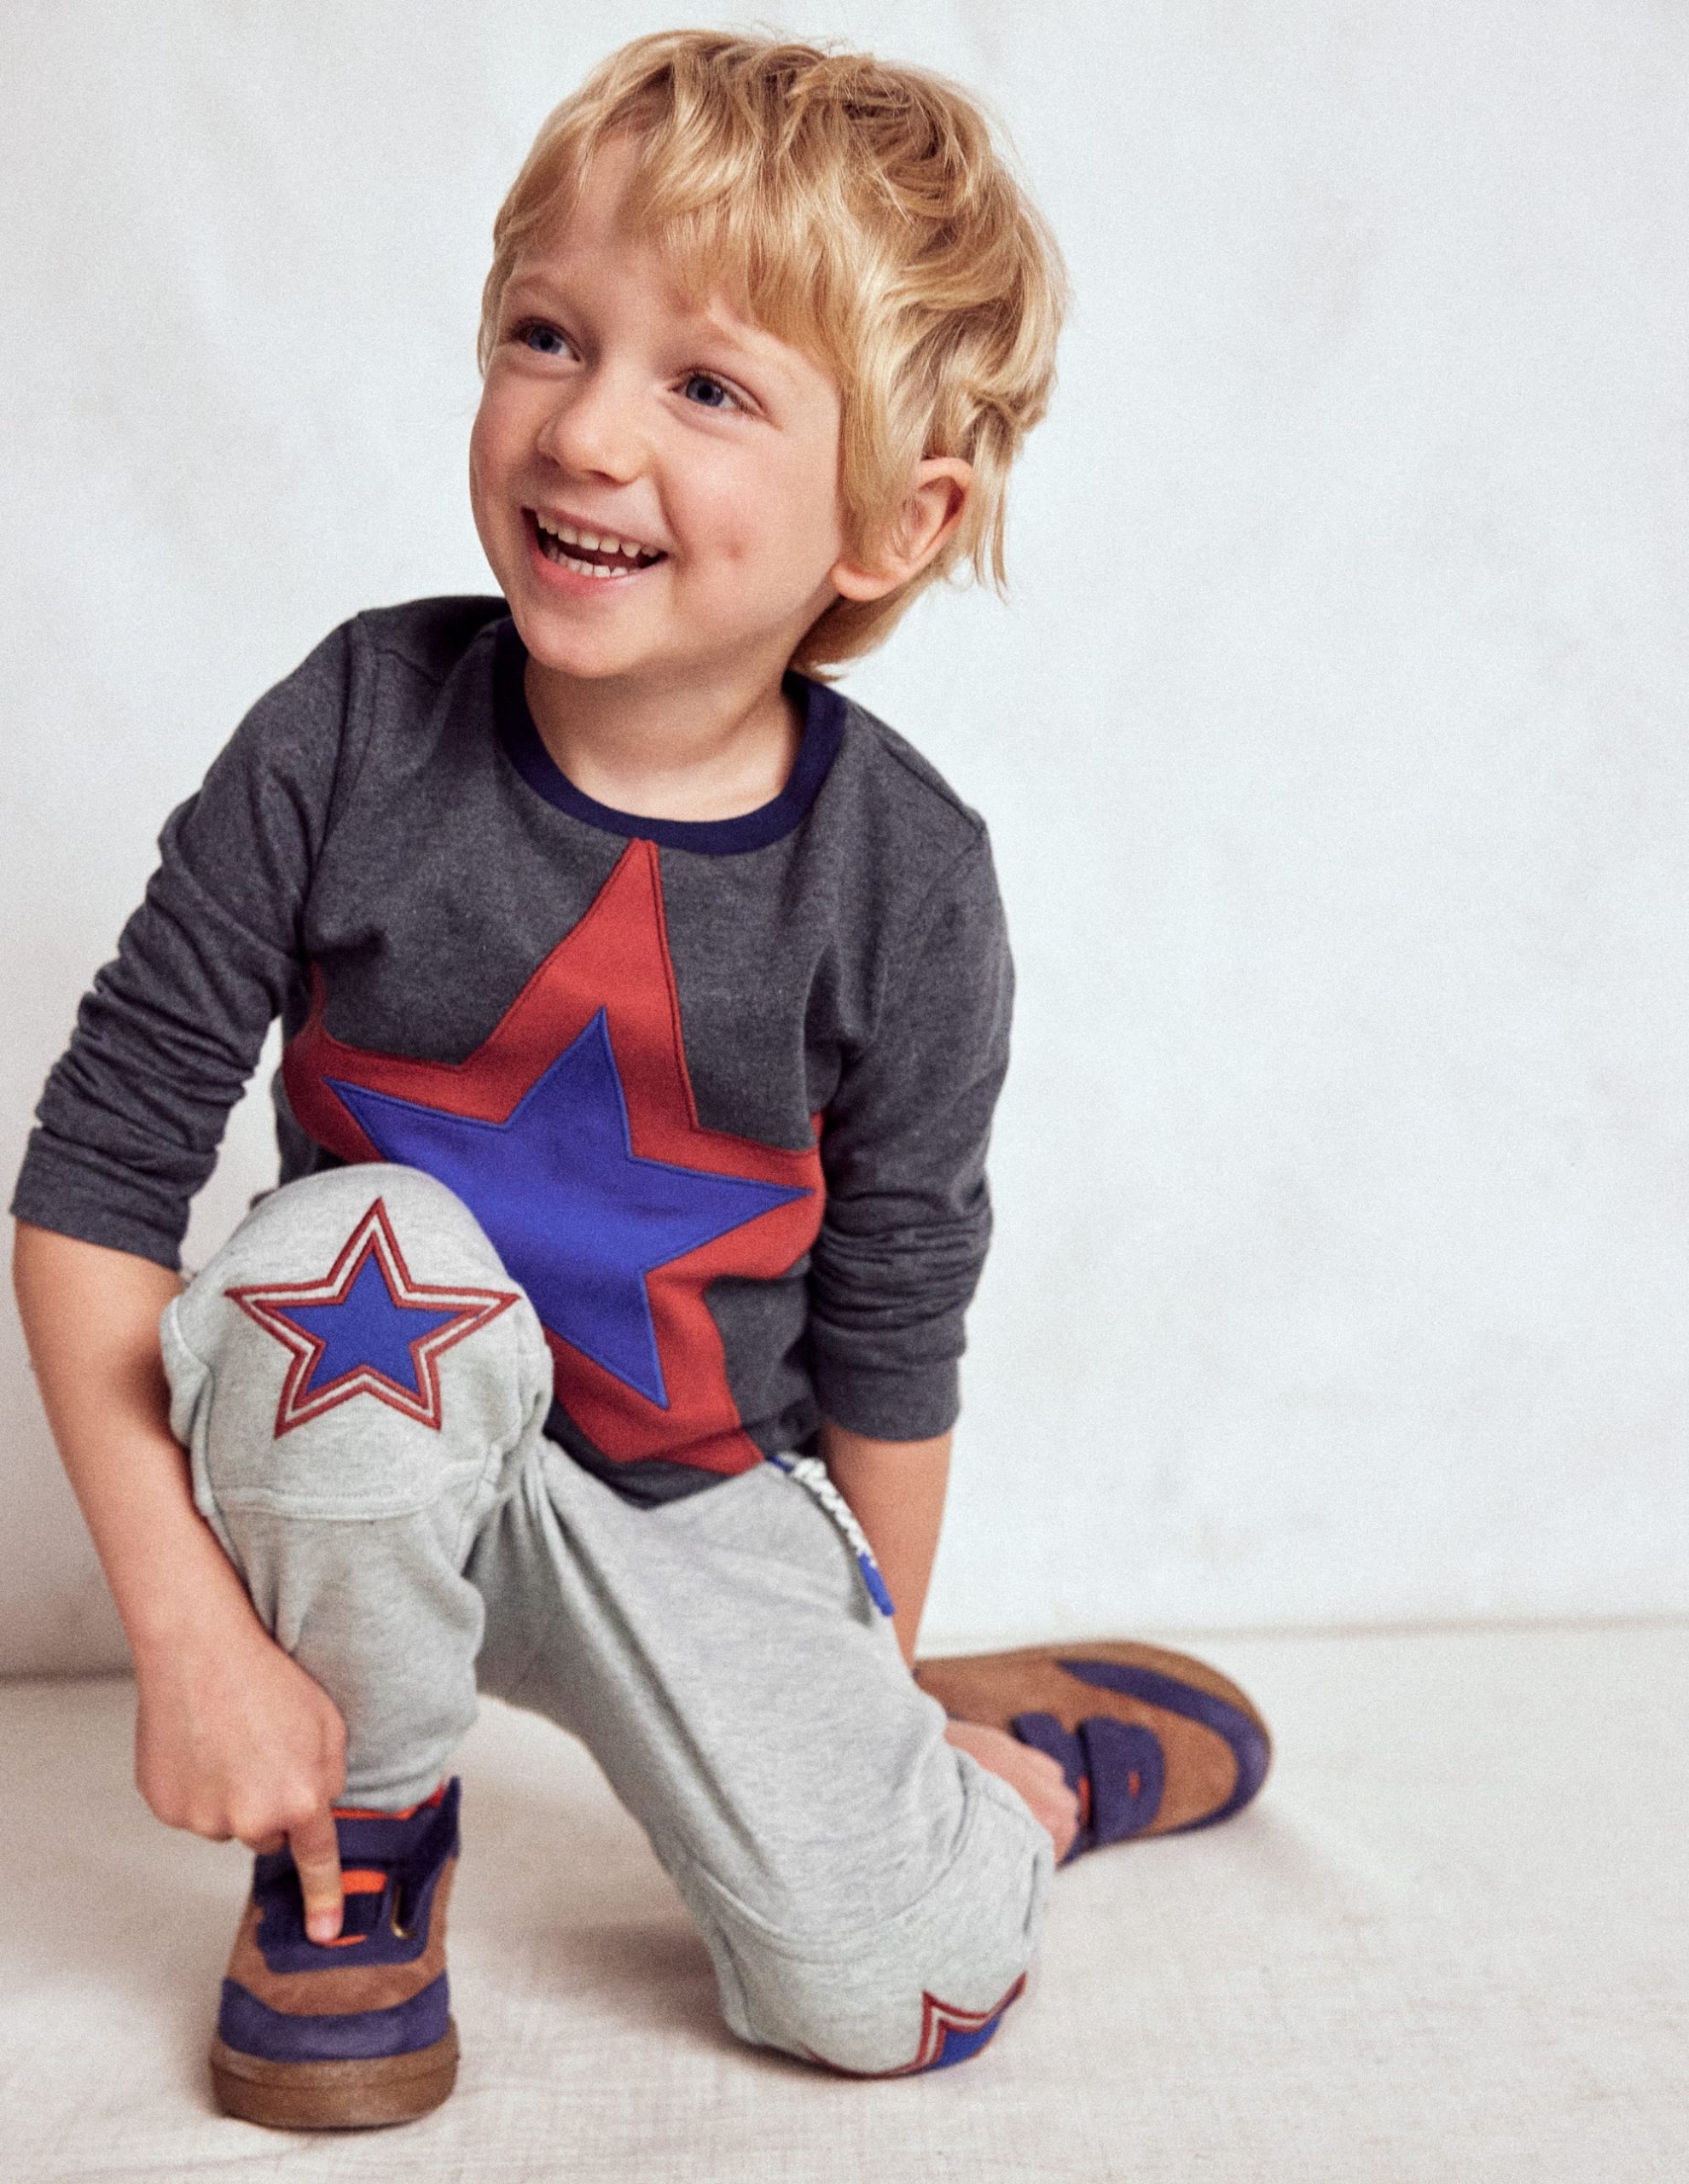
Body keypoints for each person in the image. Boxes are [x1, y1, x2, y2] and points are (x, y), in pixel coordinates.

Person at [10, 30, 1270, 2132]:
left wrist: (857, 1688)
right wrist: (188, 1632)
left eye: (707, 386)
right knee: (350, 1257)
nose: (587, 428)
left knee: (889, 1993)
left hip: (698, 1498)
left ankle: (1013, 1772)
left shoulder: (909, 877)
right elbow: (94, 1180)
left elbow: (896, 1310)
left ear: (893, 516)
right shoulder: (349, 726)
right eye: (547, 334)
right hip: (368, 1451)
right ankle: (363, 1841)